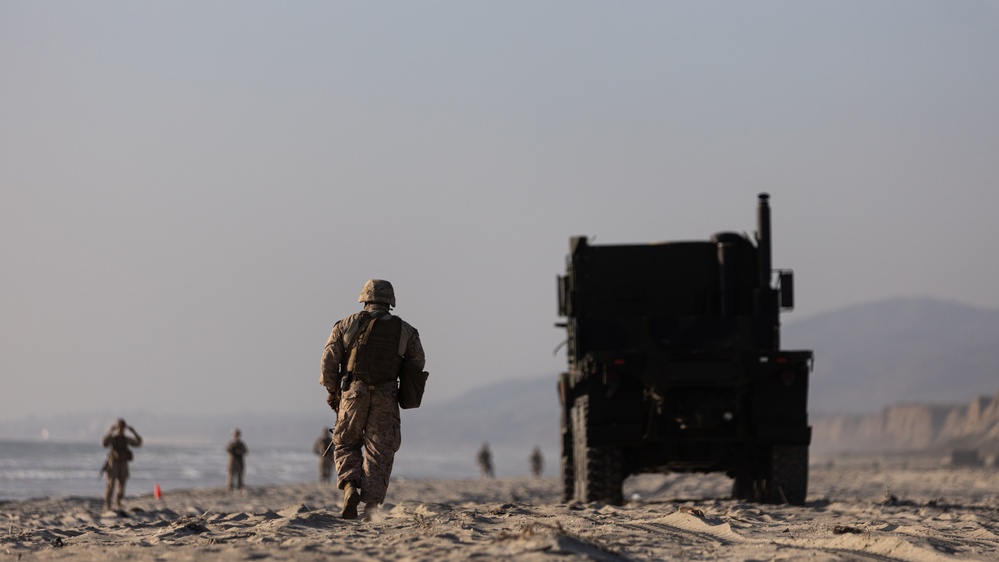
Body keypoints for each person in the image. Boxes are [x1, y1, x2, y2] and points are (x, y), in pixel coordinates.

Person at [320, 279, 426, 520]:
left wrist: (332, 390)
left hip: (352, 392)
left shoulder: (345, 324)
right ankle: (371, 507)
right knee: (380, 450)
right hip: (386, 394)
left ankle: (349, 488)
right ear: (391, 301)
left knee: (346, 442)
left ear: (364, 298)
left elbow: (328, 360)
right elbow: (417, 364)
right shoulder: (406, 330)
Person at [100, 418, 142, 511]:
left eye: (122, 427)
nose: (120, 429)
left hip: (123, 463)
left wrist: (134, 432)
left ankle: (118, 502)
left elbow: (138, 443)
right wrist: (110, 431)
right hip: (113, 463)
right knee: (111, 484)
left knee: (122, 484)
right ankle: (107, 504)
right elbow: (103, 443)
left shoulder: (126, 439)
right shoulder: (113, 438)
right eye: (119, 427)